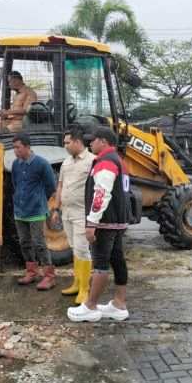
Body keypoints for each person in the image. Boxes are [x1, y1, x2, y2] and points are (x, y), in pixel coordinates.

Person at [68, 127, 130, 322]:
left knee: (100, 263)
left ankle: (90, 306)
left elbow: (101, 193)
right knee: (117, 260)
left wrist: (92, 222)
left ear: (103, 141)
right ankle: (119, 304)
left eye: (92, 140)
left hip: (105, 222)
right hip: (118, 221)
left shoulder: (105, 162)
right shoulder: (119, 160)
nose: (89, 143)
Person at [54, 127, 96, 305]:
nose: (65, 146)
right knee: (74, 247)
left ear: (78, 142)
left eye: (67, 142)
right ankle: (77, 283)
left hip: (82, 213)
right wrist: (56, 208)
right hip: (67, 212)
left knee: (82, 249)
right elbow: (60, 186)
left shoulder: (92, 161)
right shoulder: (66, 163)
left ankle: (85, 289)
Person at [12, 132, 57, 290]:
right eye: (14, 148)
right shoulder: (16, 164)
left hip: (36, 210)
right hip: (20, 210)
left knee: (39, 243)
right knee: (24, 242)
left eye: (18, 147)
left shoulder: (42, 164)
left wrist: (39, 199)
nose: (15, 151)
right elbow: (15, 184)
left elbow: (51, 186)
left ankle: (49, 276)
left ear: (27, 147)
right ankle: (31, 272)